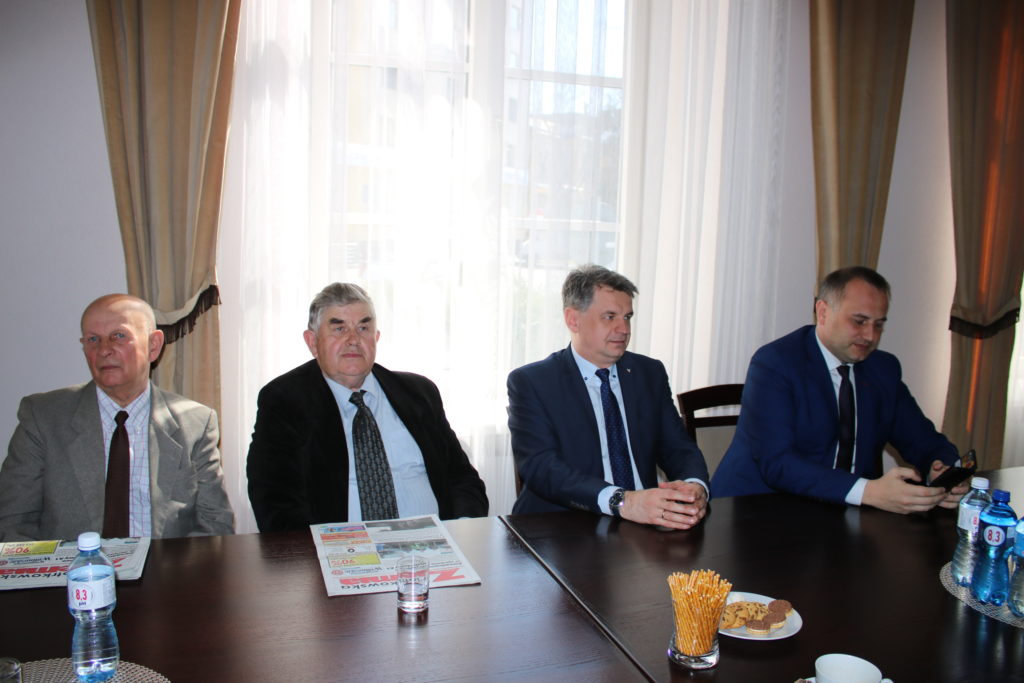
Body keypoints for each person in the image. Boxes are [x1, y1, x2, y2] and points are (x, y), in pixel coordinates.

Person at [711, 266, 967, 514]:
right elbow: (778, 463)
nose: (870, 336)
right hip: (758, 511)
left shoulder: (883, 369)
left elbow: (922, 438)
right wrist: (868, 491)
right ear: (822, 312)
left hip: (844, 514)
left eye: (878, 324)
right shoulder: (776, 363)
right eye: (859, 321)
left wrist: (943, 469)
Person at [246, 283, 488, 532]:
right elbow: (274, 501)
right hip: (340, 549)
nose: (353, 340)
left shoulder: (418, 393)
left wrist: (461, 530)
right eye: (339, 328)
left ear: (376, 338)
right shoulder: (285, 401)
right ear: (313, 342)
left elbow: (462, 478)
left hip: (436, 544)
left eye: (363, 328)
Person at [0, 294, 235, 541]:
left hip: (166, 564)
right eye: (93, 339)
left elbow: (214, 525)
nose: (104, 350)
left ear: (153, 345)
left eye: (119, 336)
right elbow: (13, 522)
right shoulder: (44, 417)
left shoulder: (195, 423)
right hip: (73, 565)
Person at [507, 265, 709, 530]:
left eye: (627, 317)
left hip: (645, 526)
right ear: (573, 320)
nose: (623, 329)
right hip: (563, 528)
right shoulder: (533, 382)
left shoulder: (649, 373)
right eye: (610, 317)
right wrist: (622, 501)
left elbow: (678, 447)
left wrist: (695, 486)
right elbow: (542, 468)